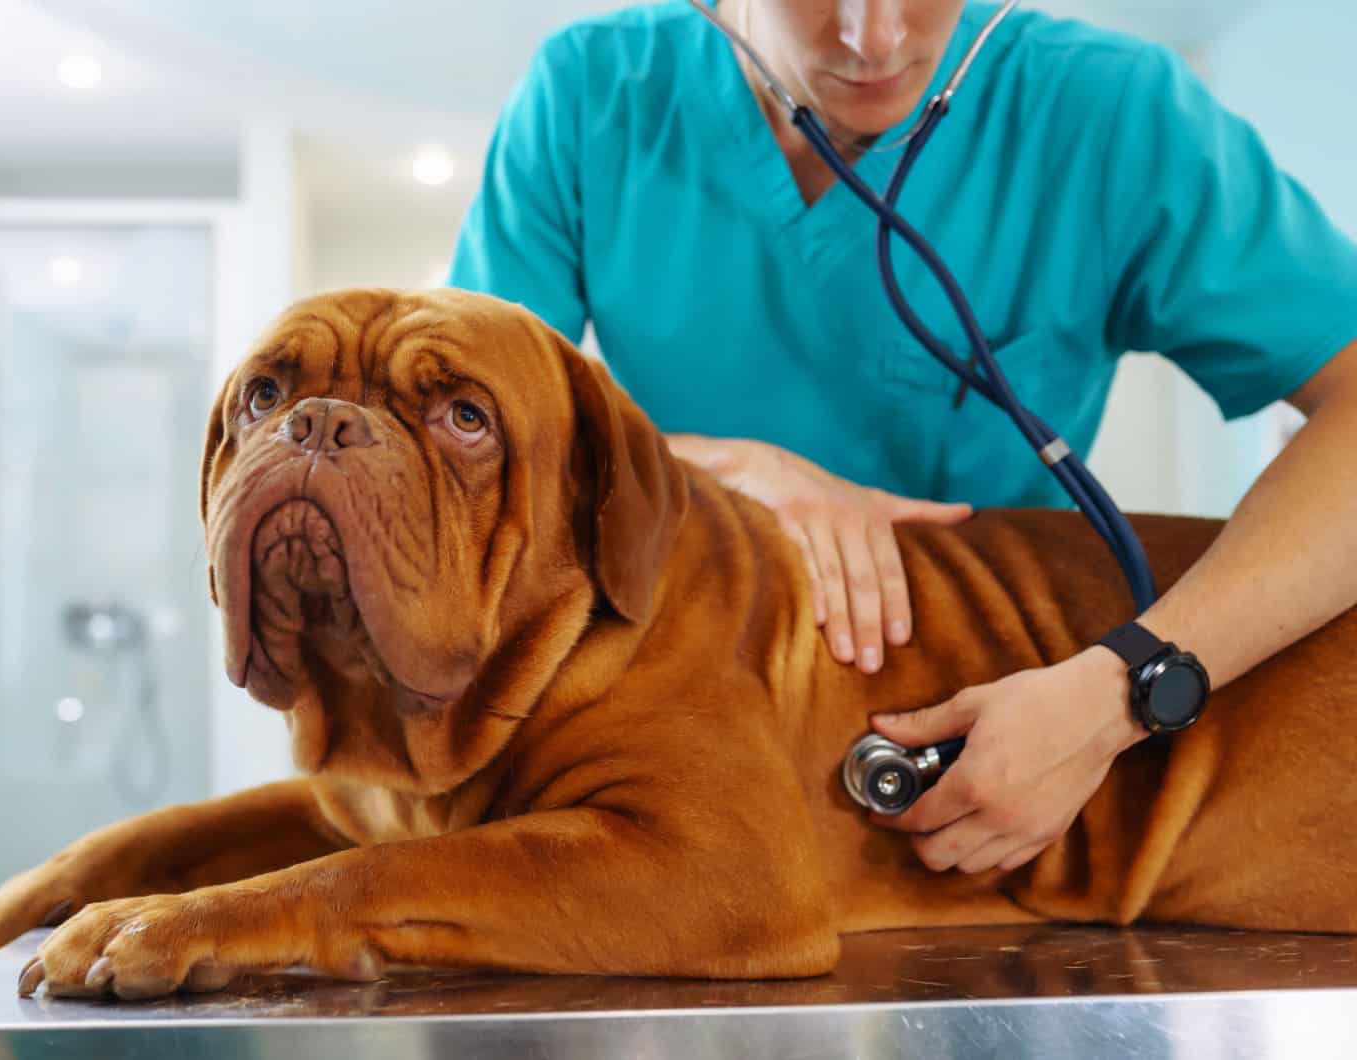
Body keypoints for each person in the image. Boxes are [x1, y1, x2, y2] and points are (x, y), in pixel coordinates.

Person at [446, 0, 1357, 877]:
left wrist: (1123, 691)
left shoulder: (1111, 112)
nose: (874, 36)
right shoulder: (590, 91)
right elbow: (463, 437)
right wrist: (720, 472)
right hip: (669, 729)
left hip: (1007, 763)